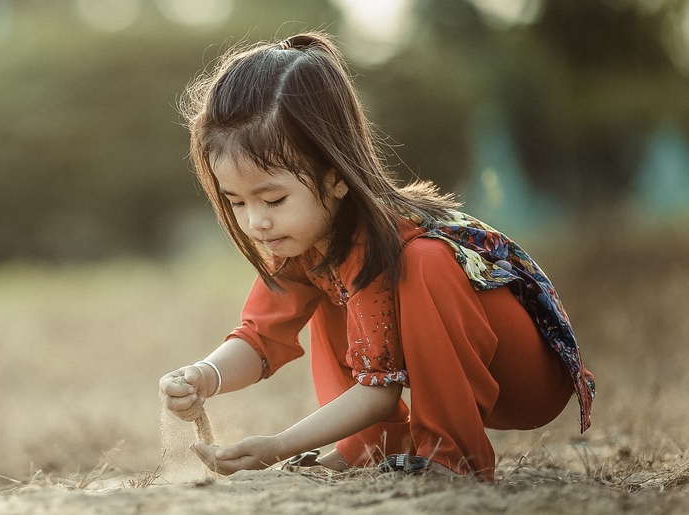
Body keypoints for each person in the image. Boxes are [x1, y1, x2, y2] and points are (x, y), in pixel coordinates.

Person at [157, 32, 595, 481]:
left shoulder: (387, 241)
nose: (256, 223)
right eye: (236, 202)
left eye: (272, 200)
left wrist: (278, 446)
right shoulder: (300, 244)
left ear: (336, 177)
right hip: (454, 378)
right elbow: (259, 338)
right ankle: (374, 447)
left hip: (523, 378)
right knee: (333, 290)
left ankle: (453, 458)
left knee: (424, 262)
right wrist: (204, 376)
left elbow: (377, 394)